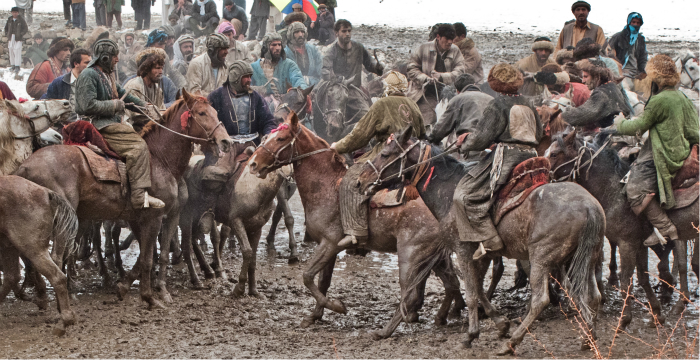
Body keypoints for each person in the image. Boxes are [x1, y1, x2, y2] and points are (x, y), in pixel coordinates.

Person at [453, 63, 542, 260]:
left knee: (465, 195)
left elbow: (480, 139)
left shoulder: (498, 104)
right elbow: (540, 132)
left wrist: (464, 142)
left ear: (495, 84)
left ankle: (488, 237)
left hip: (508, 158)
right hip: (533, 157)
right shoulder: (528, 102)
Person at [329, 71, 425, 248]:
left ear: (387, 88)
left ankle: (356, 232)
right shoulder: (413, 104)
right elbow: (423, 134)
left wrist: (339, 146)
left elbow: (360, 136)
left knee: (352, 181)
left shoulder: (381, 104)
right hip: (412, 156)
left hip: (387, 153)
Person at [613, 54, 699, 246]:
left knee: (634, 188)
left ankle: (665, 227)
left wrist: (619, 122)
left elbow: (638, 127)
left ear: (656, 77)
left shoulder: (659, 100)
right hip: (683, 152)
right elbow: (695, 132)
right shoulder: (683, 97)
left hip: (663, 156)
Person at [74, 39, 164, 209]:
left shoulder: (106, 75)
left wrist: (144, 106)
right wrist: (114, 105)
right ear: (106, 57)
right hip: (98, 125)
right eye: (114, 56)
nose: (117, 60)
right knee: (138, 146)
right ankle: (138, 195)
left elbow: (124, 94)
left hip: (109, 122)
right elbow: (85, 105)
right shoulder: (89, 75)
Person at [407, 23, 466, 127]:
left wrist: (442, 77)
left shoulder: (455, 50)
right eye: (447, 38)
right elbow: (411, 69)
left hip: (450, 95)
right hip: (424, 93)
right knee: (427, 121)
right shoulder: (423, 48)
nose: (450, 42)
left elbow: (461, 71)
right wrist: (425, 79)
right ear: (438, 37)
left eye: (452, 39)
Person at [207, 61, 276, 142]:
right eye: (246, 77)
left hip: (253, 144)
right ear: (235, 77)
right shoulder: (216, 97)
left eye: (250, 76)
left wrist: (268, 135)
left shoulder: (255, 97)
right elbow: (208, 123)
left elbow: (268, 120)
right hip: (227, 145)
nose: (249, 80)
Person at [428, 73, 493, 156]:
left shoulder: (457, 99)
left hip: (471, 148)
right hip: (493, 148)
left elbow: (441, 128)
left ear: (457, 91)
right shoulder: (491, 99)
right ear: (474, 84)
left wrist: (430, 141)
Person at [562, 58, 631, 132]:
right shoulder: (612, 87)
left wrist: (562, 116)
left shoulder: (601, 93)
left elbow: (584, 114)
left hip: (608, 134)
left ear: (596, 76)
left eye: (586, 77)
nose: (583, 81)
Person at [251, 32, 307, 100]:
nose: (277, 48)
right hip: (261, 105)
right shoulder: (253, 68)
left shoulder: (289, 65)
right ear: (266, 47)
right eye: (274, 45)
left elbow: (298, 79)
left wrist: (303, 90)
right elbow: (247, 89)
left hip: (285, 104)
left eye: (279, 45)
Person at [123, 48, 168, 131]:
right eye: (157, 68)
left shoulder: (158, 89)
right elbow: (129, 117)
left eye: (161, 68)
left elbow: (161, 110)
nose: (161, 71)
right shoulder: (134, 86)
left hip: (151, 128)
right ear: (147, 69)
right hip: (132, 128)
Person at [608, 12, 648, 93]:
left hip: (635, 73)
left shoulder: (640, 39)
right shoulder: (618, 37)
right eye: (633, 22)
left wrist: (642, 71)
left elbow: (643, 57)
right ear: (629, 22)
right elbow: (609, 54)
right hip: (621, 72)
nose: (635, 25)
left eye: (638, 23)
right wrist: (617, 69)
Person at [285, 22, 323, 86]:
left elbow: (321, 71)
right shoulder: (286, 53)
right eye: (296, 32)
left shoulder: (313, 50)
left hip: (314, 86)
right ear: (291, 35)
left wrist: (310, 80)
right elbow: (286, 77)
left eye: (302, 32)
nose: (300, 35)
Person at [5, 7, 28, 74]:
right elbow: (6, 28)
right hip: (10, 37)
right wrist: (7, 34)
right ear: (11, 12)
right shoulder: (9, 19)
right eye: (13, 12)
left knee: (17, 51)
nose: (14, 13)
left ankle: (17, 66)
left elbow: (25, 28)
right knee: (11, 50)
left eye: (16, 12)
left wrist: (21, 34)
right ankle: (13, 65)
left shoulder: (21, 20)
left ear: (18, 13)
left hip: (18, 37)